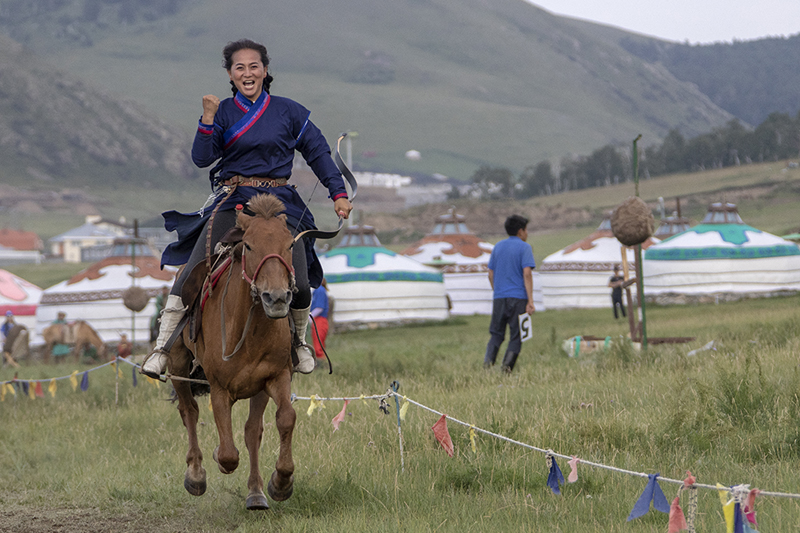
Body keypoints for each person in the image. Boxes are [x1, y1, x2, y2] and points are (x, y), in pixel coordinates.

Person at [142, 38, 353, 379]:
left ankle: (299, 344)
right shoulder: (222, 111)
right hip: (235, 201)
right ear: (230, 74)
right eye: (239, 67)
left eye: (254, 66)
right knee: (192, 271)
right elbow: (201, 158)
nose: (247, 73)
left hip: (281, 204)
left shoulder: (290, 111)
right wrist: (208, 118)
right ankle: (162, 347)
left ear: (265, 71)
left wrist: (338, 193)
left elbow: (318, 152)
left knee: (298, 283)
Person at [484, 215, 536, 373]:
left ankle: (487, 366)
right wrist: (530, 300)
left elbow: (490, 274)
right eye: (526, 230)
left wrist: (498, 291)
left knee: (496, 334)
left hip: (499, 297)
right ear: (521, 231)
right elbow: (527, 273)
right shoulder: (524, 247)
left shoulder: (497, 247)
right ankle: (506, 371)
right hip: (518, 298)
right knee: (516, 336)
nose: (527, 234)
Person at [309, 278, 330, 364]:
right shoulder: (319, 290)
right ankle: (321, 363)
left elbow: (319, 307)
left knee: (318, 345)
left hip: (319, 320)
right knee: (319, 343)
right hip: (320, 320)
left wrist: (309, 317)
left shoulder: (319, 290)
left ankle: (320, 364)